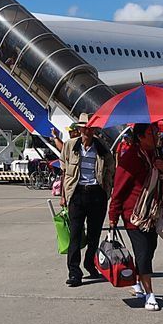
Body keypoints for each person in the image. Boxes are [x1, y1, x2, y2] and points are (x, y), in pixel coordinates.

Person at [108, 122, 163, 311]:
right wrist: (113, 216)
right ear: (140, 137)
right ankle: (150, 294)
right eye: (152, 133)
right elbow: (119, 190)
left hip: (153, 213)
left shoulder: (159, 155)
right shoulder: (130, 158)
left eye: (156, 132)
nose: (156, 135)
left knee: (150, 249)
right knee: (144, 252)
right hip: (134, 215)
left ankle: (138, 281)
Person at [58, 115, 116, 287]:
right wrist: (63, 195)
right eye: (86, 128)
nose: (88, 131)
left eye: (92, 128)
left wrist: (107, 189)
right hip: (76, 194)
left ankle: (90, 263)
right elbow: (63, 172)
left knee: (94, 234)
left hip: (96, 194)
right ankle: (74, 272)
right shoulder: (69, 146)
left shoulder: (102, 148)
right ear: (81, 129)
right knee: (75, 235)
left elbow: (111, 169)